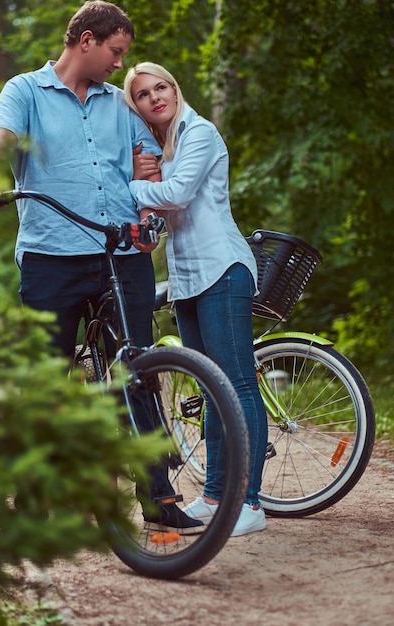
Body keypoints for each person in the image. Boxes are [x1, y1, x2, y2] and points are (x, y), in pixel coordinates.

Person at [0, 2, 202, 533]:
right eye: (115, 52)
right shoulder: (25, 92)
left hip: (120, 258)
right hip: (51, 257)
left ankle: (159, 500)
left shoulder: (119, 106)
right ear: (85, 41)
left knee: (136, 374)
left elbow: (148, 167)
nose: (120, 66)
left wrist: (148, 218)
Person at [124, 62, 268, 537]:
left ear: (174, 88)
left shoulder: (199, 132)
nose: (154, 97)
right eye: (143, 94)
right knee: (211, 390)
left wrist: (132, 183)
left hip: (222, 270)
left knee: (238, 386)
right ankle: (214, 496)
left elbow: (180, 194)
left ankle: (249, 502)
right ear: (138, 106)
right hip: (187, 278)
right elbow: (164, 220)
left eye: (160, 86)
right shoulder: (167, 147)